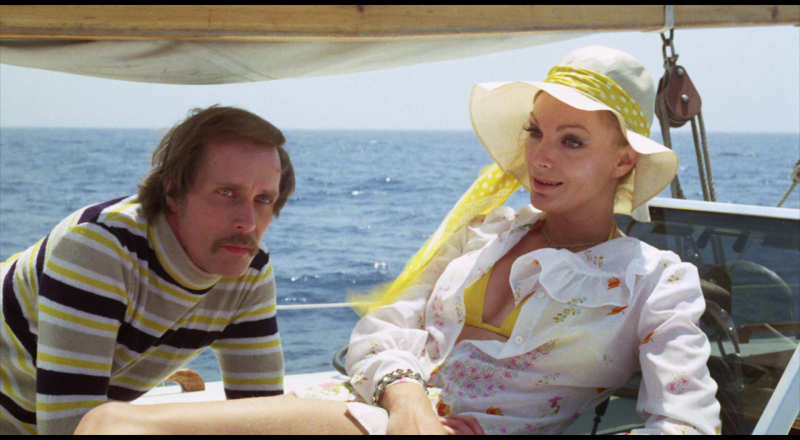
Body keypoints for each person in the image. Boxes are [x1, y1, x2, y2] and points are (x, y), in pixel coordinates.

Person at [73, 46, 721, 435]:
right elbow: (379, 331)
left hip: (374, 425)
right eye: (535, 131)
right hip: (369, 412)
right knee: (103, 424)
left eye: (571, 141)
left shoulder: (656, 281)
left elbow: (687, 422)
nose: (539, 157)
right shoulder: (486, 230)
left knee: (111, 425)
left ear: (624, 161)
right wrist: (408, 400)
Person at [0, 105, 295, 435]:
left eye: (263, 199)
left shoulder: (249, 268)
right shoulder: (98, 249)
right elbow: (69, 429)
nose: (248, 222)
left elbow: (263, 416)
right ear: (173, 192)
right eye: (226, 193)